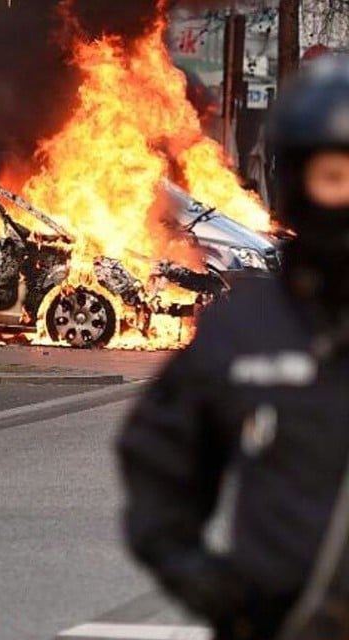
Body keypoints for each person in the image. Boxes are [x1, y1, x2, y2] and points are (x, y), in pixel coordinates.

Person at [118, 56, 349, 640]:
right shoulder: (244, 329)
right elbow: (157, 459)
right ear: (297, 184)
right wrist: (191, 569)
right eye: (334, 177)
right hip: (284, 622)